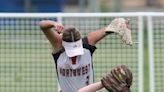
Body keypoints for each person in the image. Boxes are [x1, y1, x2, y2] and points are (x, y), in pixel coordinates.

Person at [39, 18, 132, 92]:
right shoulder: (58, 46)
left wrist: (121, 23)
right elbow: (42, 25)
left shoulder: (87, 44)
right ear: (63, 44)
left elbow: (112, 27)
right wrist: (53, 24)